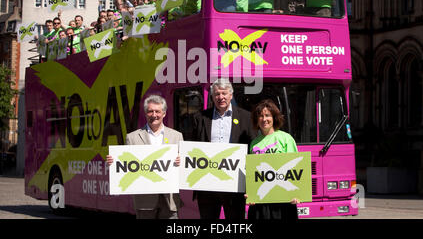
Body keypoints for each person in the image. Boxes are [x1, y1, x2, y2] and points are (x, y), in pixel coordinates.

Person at [106, 95, 183, 219]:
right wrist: (114, 162)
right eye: (150, 111)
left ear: (164, 113)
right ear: (145, 114)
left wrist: (181, 161)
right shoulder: (132, 137)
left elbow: (184, 167)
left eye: (157, 111)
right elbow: (127, 164)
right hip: (145, 200)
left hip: (169, 199)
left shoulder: (177, 136)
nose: (154, 115)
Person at [192, 78, 257, 219]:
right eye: (216, 94)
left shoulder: (246, 117)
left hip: (235, 184)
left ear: (231, 95)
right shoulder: (200, 117)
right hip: (207, 184)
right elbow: (191, 147)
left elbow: (253, 149)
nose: (220, 97)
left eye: (224, 93)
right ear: (212, 96)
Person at [246, 99, 300, 221]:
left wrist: (296, 193)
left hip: (283, 200)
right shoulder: (254, 144)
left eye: (267, 115)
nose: (264, 119)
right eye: (260, 116)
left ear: (274, 117)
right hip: (261, 202)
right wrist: (250, 193)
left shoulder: (286, 139)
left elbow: (295, 168)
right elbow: (252, 173)